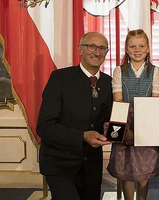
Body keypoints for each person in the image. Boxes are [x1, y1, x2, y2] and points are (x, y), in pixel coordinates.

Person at [37, 32, 113, 200]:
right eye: (91, 46)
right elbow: (44, 127)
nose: (97, 52)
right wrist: (82, 136)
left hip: (91, 166)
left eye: (102, 48)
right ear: (80, 49)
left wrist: (108, 127)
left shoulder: (109, 83)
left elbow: (105, 120)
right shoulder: (60, 78)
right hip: (59, 162)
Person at [106, 29, 159, 200]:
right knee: (126, 167)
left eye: (141, 46)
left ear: (147, 49)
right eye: (133, 46)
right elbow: (119, 102)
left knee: (144, 167)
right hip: (123, 119)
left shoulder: (155, 71)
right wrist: (127, 130)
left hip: (147, 120)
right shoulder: (119, 71)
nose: (137, 50)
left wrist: (141, 130)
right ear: (126, 49)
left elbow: (154, 103)